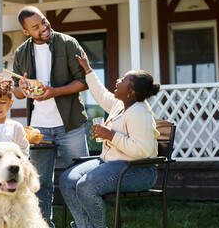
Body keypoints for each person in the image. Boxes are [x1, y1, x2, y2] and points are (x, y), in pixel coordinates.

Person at [59, 50, 160, 228]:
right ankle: (84, 226)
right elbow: (100, 94)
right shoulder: (119, 104)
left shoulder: (139, 113)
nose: (117, 81)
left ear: (131, 92)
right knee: (67, 180)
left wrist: (111, 135)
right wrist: (88, 69)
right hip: (111, 162)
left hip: (139, 170)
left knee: (85, 186)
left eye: (122, 80)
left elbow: (142, 151)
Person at [12, 6, 90, 227]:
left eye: (44, 21)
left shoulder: (67, 43)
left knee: (79, 180)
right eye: (36, 27)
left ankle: (85, 225)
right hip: (38, 129)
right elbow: (16, 92)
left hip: (70, 124)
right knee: (39, 183)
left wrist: (54, 91)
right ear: (26, 32)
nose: (44, 27)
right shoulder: (21, 53)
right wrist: (22, 90)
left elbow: (83, 81)